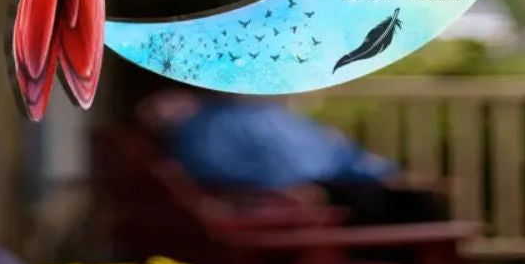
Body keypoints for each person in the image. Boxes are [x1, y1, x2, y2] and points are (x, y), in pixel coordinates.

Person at [154, 92, 447, 226]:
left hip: (331, 185)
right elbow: (213, 172)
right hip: (296, 199)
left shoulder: (270, 114)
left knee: (419, 198)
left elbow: (336, 154)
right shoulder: (207, 124)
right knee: (406, 207)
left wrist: (384, 172)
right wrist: (281, 191)